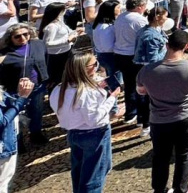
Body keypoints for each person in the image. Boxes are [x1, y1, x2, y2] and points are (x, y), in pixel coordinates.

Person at [137, 30, 188, 193]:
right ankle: (181, 189)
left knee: (160, 157)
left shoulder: (147, 71)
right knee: (184, 154)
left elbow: (141, 91)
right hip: (187, 115)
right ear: (186, 46)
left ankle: (159, 190)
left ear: (167, 45)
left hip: (159, 119)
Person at [50, 51, 118, 193]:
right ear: (86, 68)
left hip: (74, 134)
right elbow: (94, 118)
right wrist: (112, 98)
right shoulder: (87, 92)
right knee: (94, 176)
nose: (97, 67)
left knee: (79, 173)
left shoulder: (59, 89)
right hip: (95, 134)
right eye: (95, 64)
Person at [0, 23, 49, 145]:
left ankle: (36, 134)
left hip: (37, 86)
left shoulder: (39, 44)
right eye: (17, 36)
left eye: (25, 34)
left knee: (36, 111)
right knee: (16, 114)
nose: (22, 38)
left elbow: (46, 60)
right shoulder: (4, 54)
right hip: (15, 90)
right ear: (10, 38)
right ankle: (18, 140)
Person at [113, 0, 149, 126]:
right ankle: (141, 116)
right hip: (134, 56)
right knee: (141, 87)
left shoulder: (120, 17)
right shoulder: (139, 20)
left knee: (129, 86)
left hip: (120, 55)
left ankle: (130, 113)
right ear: (140, 7)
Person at [134, 6, 169, 136]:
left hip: (141, 67)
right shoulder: (151, 36)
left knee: (142, 96)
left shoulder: (146, 30)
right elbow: (153, 59)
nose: (166, 19)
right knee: (150, 98)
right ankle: (147, 125)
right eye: (165, 16)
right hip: (150, 70)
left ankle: (141, 120)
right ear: (157, 17)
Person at [0, 76, 34, 192]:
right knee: (2, 185)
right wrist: (22, 98)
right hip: (3, 149)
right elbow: (2, 122)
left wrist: (18, 95)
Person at [38, 2, 77, 88]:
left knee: (67, 75)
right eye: (63, 10)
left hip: (66, 52)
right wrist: (67, 40)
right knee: (58, 78)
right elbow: (48, 43)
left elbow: (69, 31)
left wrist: (76, 32)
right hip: (56, 56)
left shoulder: (60, 22)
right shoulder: (52, 26)